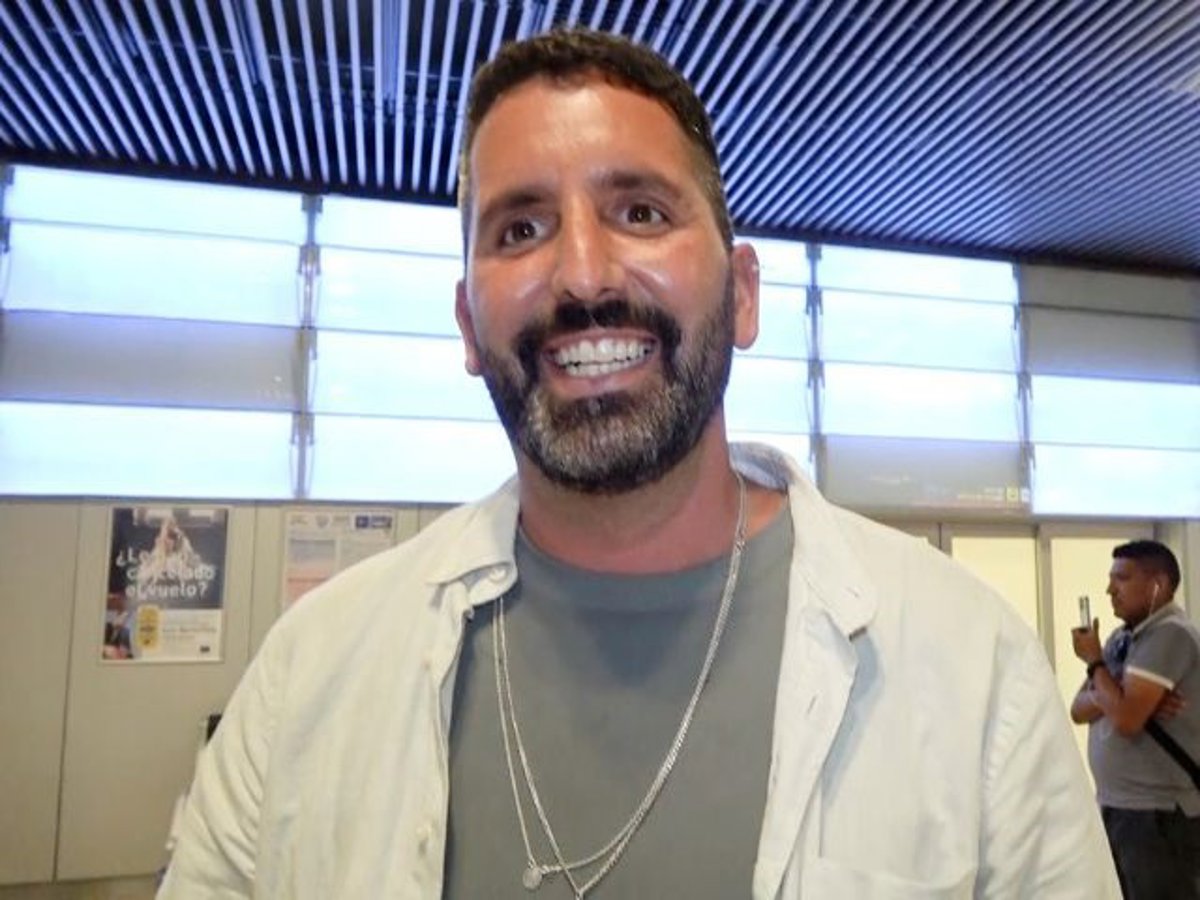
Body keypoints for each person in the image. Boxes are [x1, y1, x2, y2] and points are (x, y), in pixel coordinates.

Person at [159, 27, 1119, 898]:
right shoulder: (310, 675)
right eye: (521, 229)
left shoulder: (970, 667)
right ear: (467, 324)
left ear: (742, 295)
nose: (583, 276)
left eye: (642, 212)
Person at [1071, 540, 1200, 899]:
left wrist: (1096, 664)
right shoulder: (1121, 639)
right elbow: (1078, 709)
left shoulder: (1170, 634)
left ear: (1158, 584)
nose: (1110, 590)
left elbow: (1127, 720)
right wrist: (1117, 694)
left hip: (1158, 815)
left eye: (1122, 579)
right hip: (1120, 808)